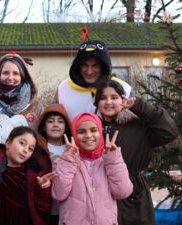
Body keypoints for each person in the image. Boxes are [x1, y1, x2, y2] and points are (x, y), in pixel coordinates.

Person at [94, 80, 179, 225]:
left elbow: (169, 132)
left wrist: (140, 107)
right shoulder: (91, 128)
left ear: (123, 99)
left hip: (134, 196)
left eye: (114, 97)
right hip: (100, 195)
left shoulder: (138, 126)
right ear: (96, 103)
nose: (108, 102)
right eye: (103, 98)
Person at [52, 112, 133, 225]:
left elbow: (123, 192)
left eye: (93, 130)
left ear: (100, 132)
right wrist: (68, 160)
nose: (88, 135)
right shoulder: (64, 162)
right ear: (74, 135)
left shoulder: (110, 160)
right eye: (81, 132)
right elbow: (58, 194)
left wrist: (113, 160)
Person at [54, 39, 133, 120]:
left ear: (104, 67)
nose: (89, 72)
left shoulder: (124, 88)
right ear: (78, 66)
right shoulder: (64, 88)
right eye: (85, 65)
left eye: (95, 66)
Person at [35, 104, 72, 225]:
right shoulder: (37, 149)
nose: (55, 124)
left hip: (68, 209)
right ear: (44, 126)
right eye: (50, 121)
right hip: (44, 208)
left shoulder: (73, 149)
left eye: (60, 121)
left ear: (66, 126)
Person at [0, 52, 42, 127]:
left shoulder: (35, 108)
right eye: (6, 73)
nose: (10, 78)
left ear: (22, 77)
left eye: (16, 73)